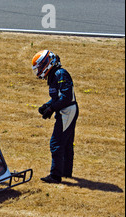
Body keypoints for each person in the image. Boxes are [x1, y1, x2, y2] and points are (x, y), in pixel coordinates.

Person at [32, 50, 79, 184]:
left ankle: (55, 176)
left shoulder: (60, 74)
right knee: (67, 143)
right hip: (66, 110)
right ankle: (66, 172)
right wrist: (46, 106)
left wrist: (52, 108)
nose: (39, 71)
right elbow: (57, 97)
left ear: (48, 63)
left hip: (67, 111)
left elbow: (66, 97)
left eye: (40, 67)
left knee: (56, 143)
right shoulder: (54, 75)